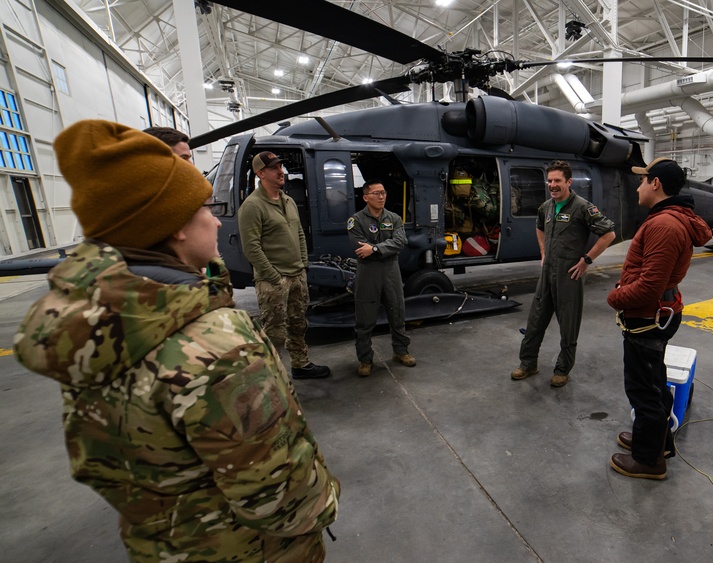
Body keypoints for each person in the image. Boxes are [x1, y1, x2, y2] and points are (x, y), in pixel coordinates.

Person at [13, 120, 341, 562]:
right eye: (204, 209)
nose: (212, 219)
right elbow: (280, 498)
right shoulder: (217, 347)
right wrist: (326, 499)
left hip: (165, 544)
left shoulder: (92, 327)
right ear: (176, 228)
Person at [607, 158, 712, 480]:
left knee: (644, 390)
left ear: (656, 184)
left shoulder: (663, 225)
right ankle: (657, 442)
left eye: (643, 181)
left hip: (647, 316)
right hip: (655, 314)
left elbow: (650, 286)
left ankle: (649, 461)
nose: (638, 186)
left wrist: (615, 298)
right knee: (653, 384)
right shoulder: (668, 220)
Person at [510, 160, 617, 387]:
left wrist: (587, 260)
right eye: (549, 180)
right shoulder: (546, 207)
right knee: (535, 320)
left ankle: (562, 369)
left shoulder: (582, 207)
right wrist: (542, 251)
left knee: (568, 325)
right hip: (547, 273)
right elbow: (539, 227)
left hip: (570, 275)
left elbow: (609, 234)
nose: (552, 185)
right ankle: (528, 363)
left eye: (557, 180)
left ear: (568, 182)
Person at [239, 151, 330, 379]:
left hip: (297, 274)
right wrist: (274, 277)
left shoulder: (288, 201)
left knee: (298, 324)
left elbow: (299, 232)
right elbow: (251, 248)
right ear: (260, 174)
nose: (281, 172)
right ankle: (271, 376)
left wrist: (303, 265)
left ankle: (300, 364)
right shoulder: (252, 206)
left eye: (281, 167)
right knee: (274, 332)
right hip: (273, 280)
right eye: (274, 168)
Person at [348, 180, 416, 377]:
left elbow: (400, 241)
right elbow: (360, 247)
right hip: (368, 273)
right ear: (366, 197)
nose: (381, 197)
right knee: (365, 317)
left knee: (397, 312)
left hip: (391, 271)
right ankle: (365, 360)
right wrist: (380, 248)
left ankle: (400, 352)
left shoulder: (394, 218)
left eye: (383, 193)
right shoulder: (356, 220)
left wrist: (375, 249)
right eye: (376, 193)